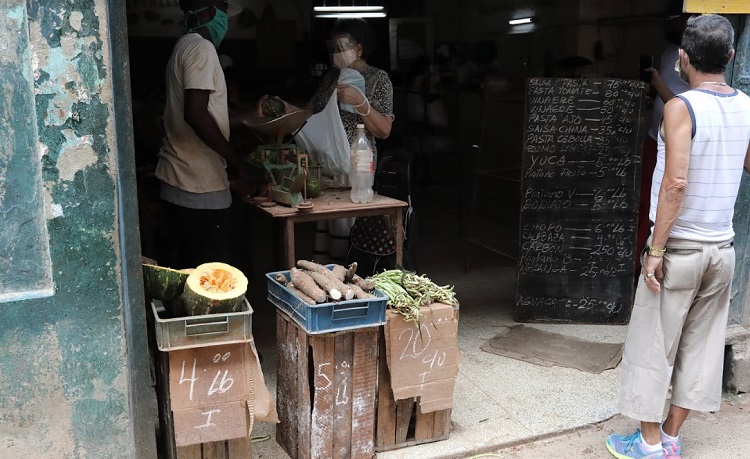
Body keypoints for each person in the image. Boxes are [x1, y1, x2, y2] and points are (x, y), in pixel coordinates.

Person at [606, 14, 750, 459]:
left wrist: (655, 249)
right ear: (729, 57)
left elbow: (675, 184)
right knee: (701, 348)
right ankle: (669, 436)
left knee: (654, 344)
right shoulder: (746, 104)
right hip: (722, 250)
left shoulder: (680, 107)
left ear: (683, 58)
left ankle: (649, 444)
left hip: (681, 248)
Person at [155, 0, 252, 268]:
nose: (226, 20)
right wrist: (240, 164)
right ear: (210, 12)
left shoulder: (183, 44)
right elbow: (195, 113)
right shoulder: (202, 48)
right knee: (212, 277)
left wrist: (243, 119)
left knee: (188, 273)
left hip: (179, 177)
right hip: (198, 184)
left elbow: (203, 112)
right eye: (223, 13)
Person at [307, 18, 395, 264]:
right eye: (333, 48)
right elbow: (311, 111)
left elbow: (384, 130)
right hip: (327, 167)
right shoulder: (331, 78)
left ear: (359, 48)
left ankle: (349, 282)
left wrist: (361, 103)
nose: (337, 53)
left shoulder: (378, 79)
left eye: (342, 46)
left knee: (349, 232)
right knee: (327, 233)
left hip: (357, 168)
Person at [635, 13, 691, 268]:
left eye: (679, 19)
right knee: (644, 201)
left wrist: (656, 82)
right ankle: (641, 259)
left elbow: (682, 109)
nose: (671, 23)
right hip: (654, 137)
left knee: (661, 199)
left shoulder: (691, 58)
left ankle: (651, 259)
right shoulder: (671, 52)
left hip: (671, 146)